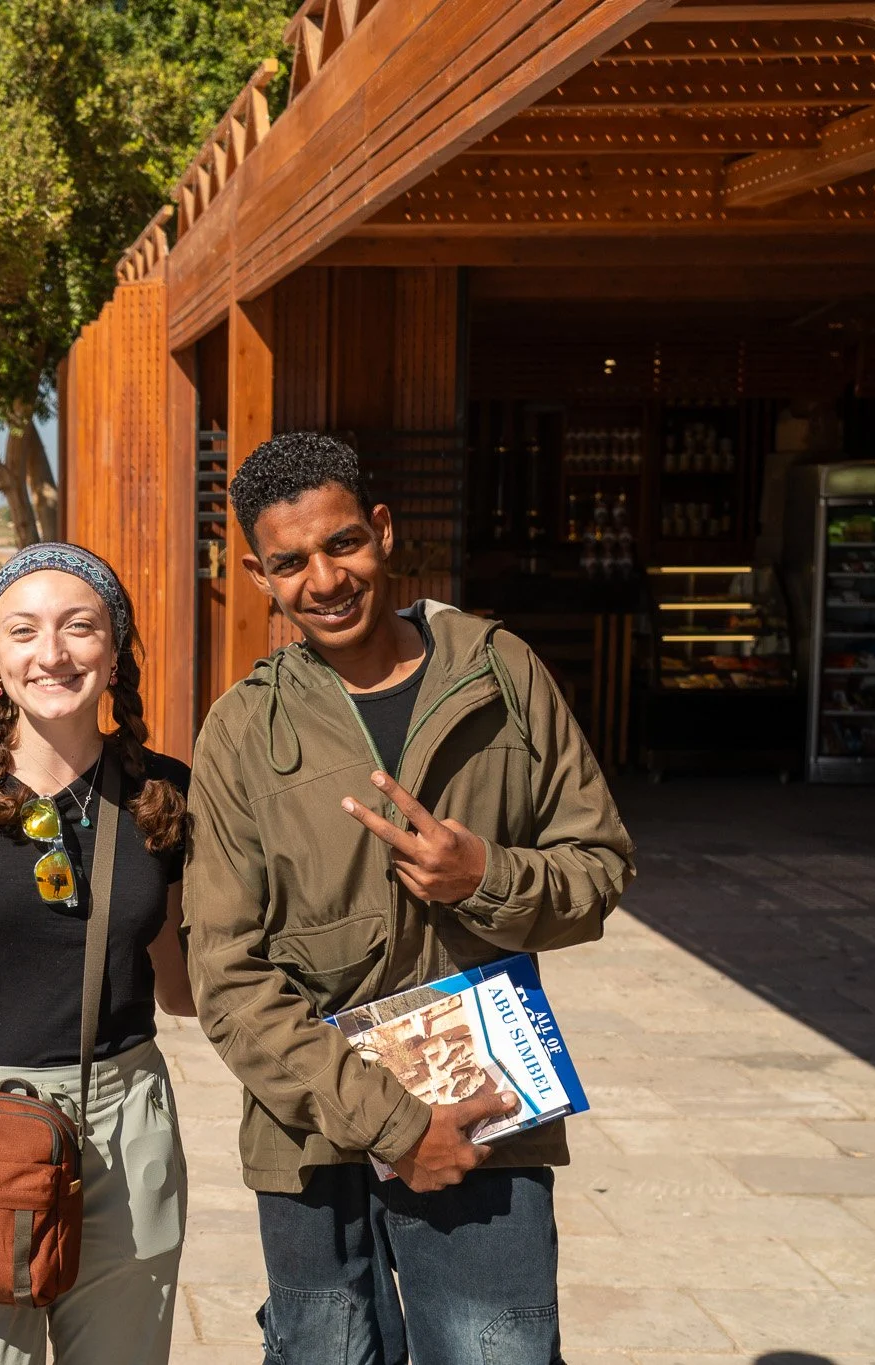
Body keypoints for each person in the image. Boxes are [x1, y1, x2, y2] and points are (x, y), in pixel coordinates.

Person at [183, 432, 636, 1365]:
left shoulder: (500, 672)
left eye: (342, 543)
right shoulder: (240, 730)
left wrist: (486, 879)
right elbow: (226, 978)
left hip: (482, 1124)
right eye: (290, 562)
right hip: (311, 1138)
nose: (325, 580)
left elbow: (598, 866)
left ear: (383, 531)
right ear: (259, 575)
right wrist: (396, 1125)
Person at [0, 543, 195, 1364]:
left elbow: (183, 990)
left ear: (114, 647)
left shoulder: (165, 790)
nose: (51, 653)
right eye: (23, 630)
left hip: (125, 1130)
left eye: (79, 626)